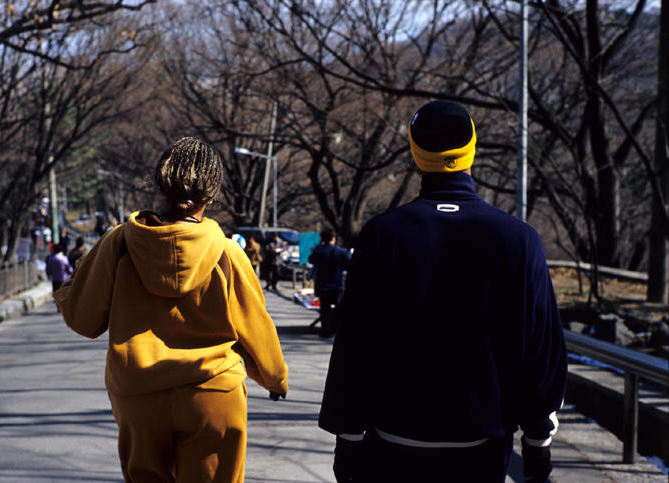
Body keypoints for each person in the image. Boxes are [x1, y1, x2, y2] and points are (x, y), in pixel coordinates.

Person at [318, 100, 567, 483]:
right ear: (471, 149)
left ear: (416, 153)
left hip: (393, 438)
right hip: (482, 441)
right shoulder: (519, 239)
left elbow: (355, 343)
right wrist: (537, 442)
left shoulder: (382, 235)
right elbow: (541, 349)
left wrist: (348, 436)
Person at [53, 137, 289, 483]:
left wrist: (72, 283)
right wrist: (275, 379)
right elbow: (256, 326)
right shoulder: (227, 253)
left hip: (138, 394)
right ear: (213, 191)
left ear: (160, 183)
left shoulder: (118, 243)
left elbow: (82, 318)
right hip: (213, 393)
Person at [308, 228, 350, 338]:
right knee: (338, 308)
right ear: (333, 238)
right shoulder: (340, 251)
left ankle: (326, 331)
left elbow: (311, 260)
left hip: (322, 285)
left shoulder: (318, 251)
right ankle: (336, 330)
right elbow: (348, 264)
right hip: (337, 284)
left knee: (325, 309)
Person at [45, 243, 72, 310]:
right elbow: (69, 269)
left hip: (55, 279)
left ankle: (58, 306)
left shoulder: (51, 259)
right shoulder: (64, 259)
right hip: (63, 279)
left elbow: (48, 269)